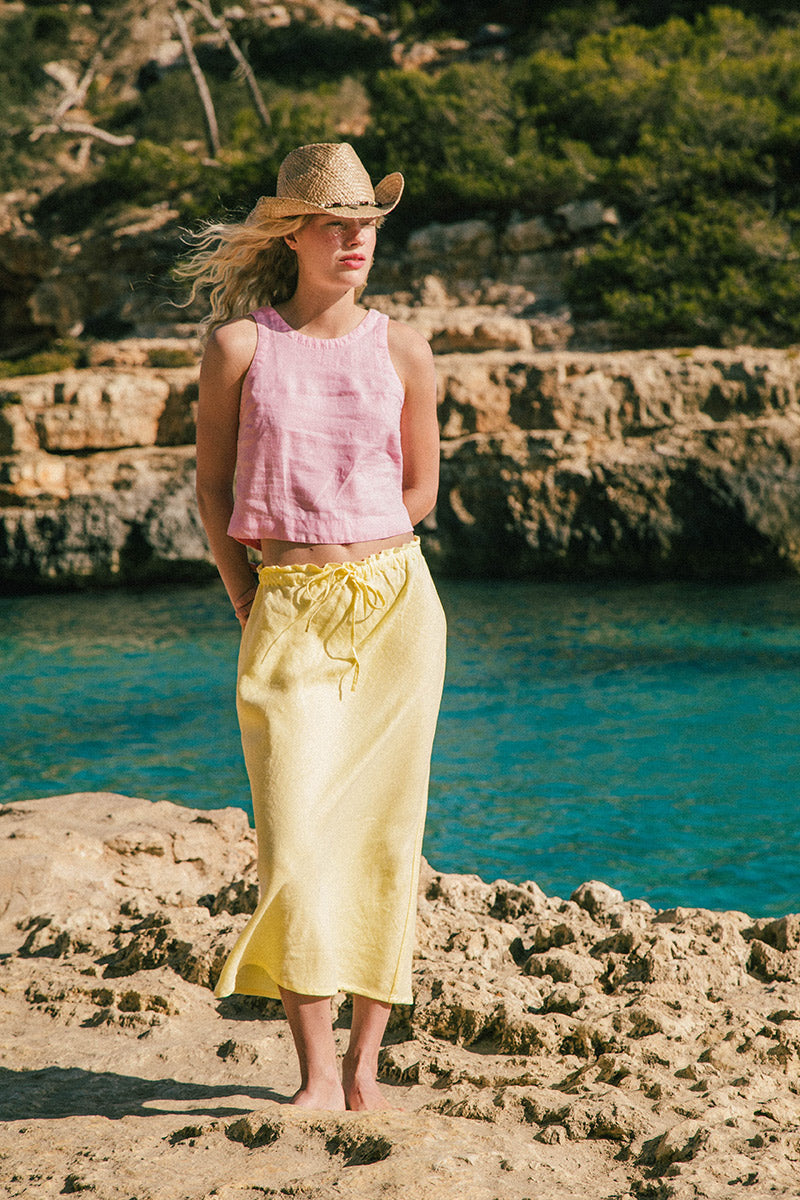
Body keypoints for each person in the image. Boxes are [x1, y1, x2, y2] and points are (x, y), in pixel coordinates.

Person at [184, 142, 447, 1112]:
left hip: (395, 611)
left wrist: (363, 544)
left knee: (383, 836)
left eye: (366, 226)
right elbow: (212, 491)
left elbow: (420, 489)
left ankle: (362, 1070)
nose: (355, 242)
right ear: (292, 234)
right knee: (293, 840)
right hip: (286, 610)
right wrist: (247, 596)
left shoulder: (404, 349)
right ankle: (311, 1073)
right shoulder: (239, 348)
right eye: (336, 226)